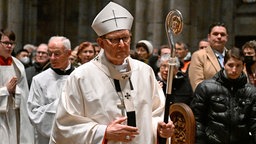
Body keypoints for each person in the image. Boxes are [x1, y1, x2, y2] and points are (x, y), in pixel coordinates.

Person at [49, 2, 174, 144]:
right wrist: (104, 132)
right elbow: (64, 126)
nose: (122, 44)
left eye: (125, 38)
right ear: (101, 43)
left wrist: (161, 128)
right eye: (114, 39)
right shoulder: (81, 77)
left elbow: (156, 113)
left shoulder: (145, 72)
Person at [190, 47, 256, 144]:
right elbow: (197, 121)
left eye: (238, 66)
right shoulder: (205, 87)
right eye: (230, 65)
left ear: (243, 66)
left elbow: (254, 123)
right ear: (224, 65)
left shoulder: (251, 91)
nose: (234, 70)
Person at [27, 36, 74, 144]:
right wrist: (61, 103)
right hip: (48, 139)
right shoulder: (39, 80)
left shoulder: (79, 77)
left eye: (57, 54)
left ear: (68, 53)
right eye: (50, 53)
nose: (52, 58)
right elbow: (33, 113)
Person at [0, 28, 34, 144]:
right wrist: (5, 91)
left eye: (12, 43)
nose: (9, 46)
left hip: (13, 115)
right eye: (6, 43)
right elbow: (7, 90)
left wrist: (15, 92)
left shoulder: (18, 65)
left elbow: (25, 94)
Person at [189, 22, 228, 91]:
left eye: (222, 34)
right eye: (215, 34)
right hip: (209, 100)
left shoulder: (233, 56)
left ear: (227, 38)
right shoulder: (198, 56)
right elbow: (197, 85)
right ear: (209, 37)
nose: (219, 37)